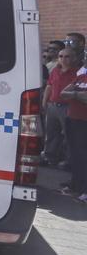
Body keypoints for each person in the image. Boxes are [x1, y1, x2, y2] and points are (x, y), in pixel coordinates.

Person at [58, 47, 87, 202]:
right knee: (74, 155)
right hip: (73, 119)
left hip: (84, 122)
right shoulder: (81, 76)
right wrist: (77, 95)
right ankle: (75, 184)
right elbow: (63, 93)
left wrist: (74, 94)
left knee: (84, 156)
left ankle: (84, 189)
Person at [44, 47, 78, 168]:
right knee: (52, 134)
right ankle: (49, 157)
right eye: (61, 56)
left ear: (73, 58)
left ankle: (69, 161)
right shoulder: (55, 71)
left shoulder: (78, 73)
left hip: (67, 107)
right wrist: (45, 103)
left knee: (69, 135)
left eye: (67, 56)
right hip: (52, 106)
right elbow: (49, 87)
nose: (63, 59)